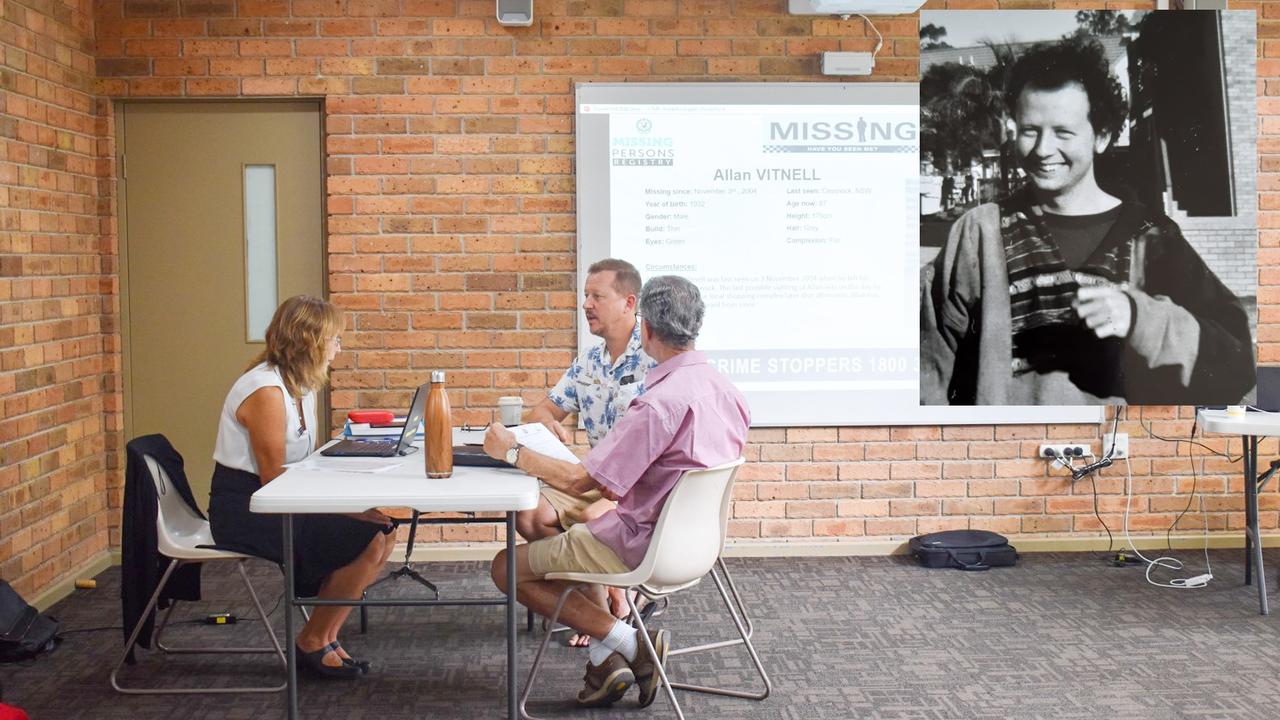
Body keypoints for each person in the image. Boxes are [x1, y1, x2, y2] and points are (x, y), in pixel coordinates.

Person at [920, 37, 1254, 405]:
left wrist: (1139, 317)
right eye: (1030, 130)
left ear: (1103, 136)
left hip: (1114, 457)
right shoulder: (979, 233)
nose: (1043, 149)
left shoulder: (1152, 237)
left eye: (1063, 132)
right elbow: (929, 369)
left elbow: (1237, 367)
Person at [483, 276, 749, 708]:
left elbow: (581, 482)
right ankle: (609, 653)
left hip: (638, 544)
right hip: (697, 547)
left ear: (644, 327)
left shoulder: (657, 404)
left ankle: (629, 642)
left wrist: (511, 451)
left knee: (505, 567)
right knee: (568, 532)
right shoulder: (727, 391)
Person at [208, 295, 396, 679]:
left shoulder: (300, 386)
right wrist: (345, 507)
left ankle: (326, 636)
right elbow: (273, 480)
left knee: (384, 529)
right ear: (309, 342)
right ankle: (312, 640)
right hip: (248, 508)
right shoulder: (266, 390)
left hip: (282, 497)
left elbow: (301, 464)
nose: (339, 349)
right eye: (335, 340)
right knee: (371, 534)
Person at [519, 258, 657, 646]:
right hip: (595, 480)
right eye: (585, 296)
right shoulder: (588, 362)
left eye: (597, 296)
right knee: (529, 514)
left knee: (592, 521)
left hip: (637, 489)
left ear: (630, 303)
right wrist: (548, 422)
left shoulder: (654, 359)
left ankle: (606, 612)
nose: (586, 305)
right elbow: (543, 409)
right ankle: (601, 611)